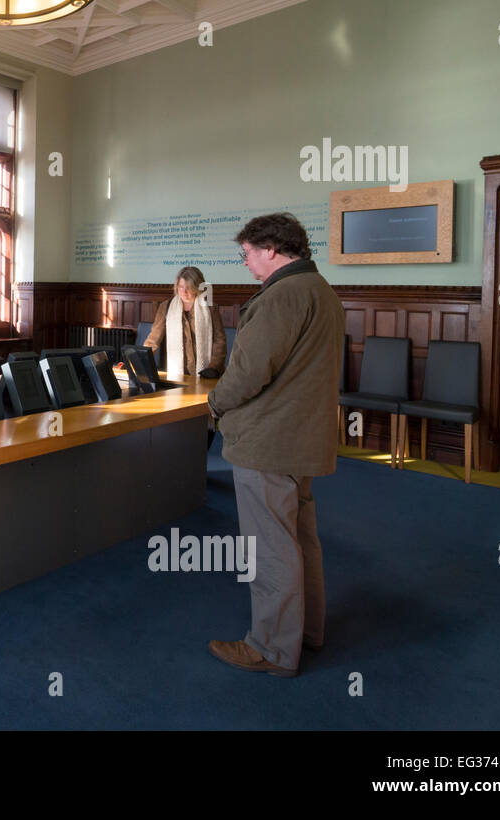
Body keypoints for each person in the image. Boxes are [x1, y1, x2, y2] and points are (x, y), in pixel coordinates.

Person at [205, 214, 345, 677]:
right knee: (300, 538)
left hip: (269, 442)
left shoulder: (282, 296)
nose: (245, 263)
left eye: (246, 254)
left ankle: (271, 649)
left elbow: (247, 374)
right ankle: (307, 632)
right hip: (301, 438)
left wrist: (215, 403)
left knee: (270, 548)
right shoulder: (320, 289)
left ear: (270, 248)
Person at [143, 266, 227, 379]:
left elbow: (219, 341)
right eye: (181, 287)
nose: (184, 292)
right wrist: (138, 360)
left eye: (189, 288)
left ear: (198, 288)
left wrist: (213, 367)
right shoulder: (166, 307)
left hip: (206, 374)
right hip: (177, 373)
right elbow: (153, 339)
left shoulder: (210, 308)